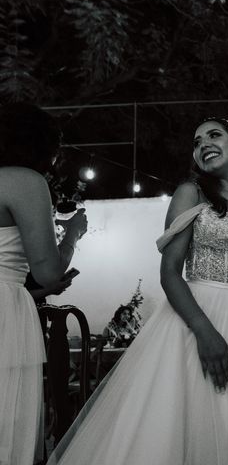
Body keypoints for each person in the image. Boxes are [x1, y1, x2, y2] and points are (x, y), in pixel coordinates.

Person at [47, 118, 228, 464]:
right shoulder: (192, 193)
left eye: (214, 136)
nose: (203, 145)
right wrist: (204, 331)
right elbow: (169, 273)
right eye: (197, 141)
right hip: (199, 317)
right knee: (196, 419)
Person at [0, 102, 87, 465]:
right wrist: (72, 235)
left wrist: (38, 293)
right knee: (8, 423)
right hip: (6, 318)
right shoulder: (22, 181)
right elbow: (50, 270)